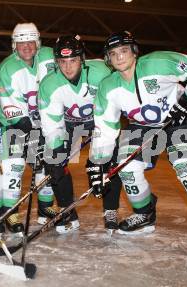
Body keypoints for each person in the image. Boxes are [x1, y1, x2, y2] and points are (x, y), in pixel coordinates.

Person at [90, 30, 187, 256]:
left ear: (134, 51)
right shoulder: (108, 86)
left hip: (181, 118)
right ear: (108, 59)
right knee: (126, 168)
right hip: (142, 126)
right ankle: (145, 214)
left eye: (124, 51)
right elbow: (104, 127)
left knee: (185, 166)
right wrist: (99, 161)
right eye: (113, 53)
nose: (120, 57)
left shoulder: (159, 62)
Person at [38, 34, 122, 234]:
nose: (67, 67)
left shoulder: (101, 73)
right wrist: (56, 153)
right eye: (62, 61)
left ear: (82, 59)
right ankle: (67, 211)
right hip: (68, 123)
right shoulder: (49, 84)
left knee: (110, 161)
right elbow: (52, 125)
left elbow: (113, 109)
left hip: (99, 119)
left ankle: (110, 210)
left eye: (73, 60)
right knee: (53, 162)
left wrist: (100, 155)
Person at [0, 22, 57, 235]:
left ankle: (46, 207)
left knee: (46, 165)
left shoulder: (50, 56)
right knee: (15, 167)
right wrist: (33, 137)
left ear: (37, 42)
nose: (26, 46)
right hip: (13, 125)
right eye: (21, 43)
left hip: (44, 123)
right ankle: (11, 213)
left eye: (30, 41)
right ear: (14, 45)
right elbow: (13, 111)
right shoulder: (7, 68)